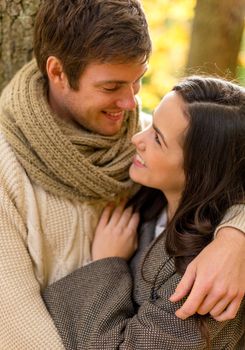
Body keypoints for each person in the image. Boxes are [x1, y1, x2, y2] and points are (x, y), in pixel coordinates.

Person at [0, 0, 244, 348]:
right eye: (111, 87)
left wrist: (237, 238)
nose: (132, 105)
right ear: (57, 73)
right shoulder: (7, 174)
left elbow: (227, 170)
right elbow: (20, 330)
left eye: (138, 81)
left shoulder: (155, 155)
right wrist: (108, 265)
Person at [43, 76, 245, 349]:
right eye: (151, 125)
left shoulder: (207, 280)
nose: (137, 138)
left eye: (157, 139)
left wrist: (107, 264)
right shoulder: (152, 201)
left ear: (200, 170)